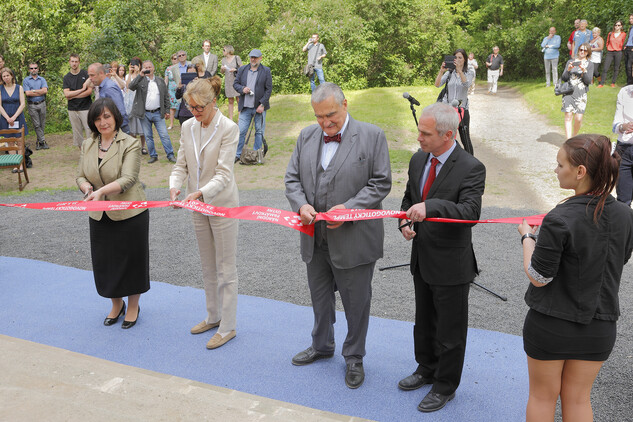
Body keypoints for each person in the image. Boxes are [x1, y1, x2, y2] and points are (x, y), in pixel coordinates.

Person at [517, 134, 633, 422]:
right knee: (579, 400)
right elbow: (620, 258)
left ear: (580, 172)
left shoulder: (559, 218)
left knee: (542, 397)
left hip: (551, 325)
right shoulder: (625, 215)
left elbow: (538, 276)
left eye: (560, 165)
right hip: (599, 325)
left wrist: (527, 237)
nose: (555, 170)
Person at [284, 82, 392, 389]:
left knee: (356, 303)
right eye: (319, 116)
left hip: (355, 240)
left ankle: (354, 357)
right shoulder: (306, 135)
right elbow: (292, 178)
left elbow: (381, 183)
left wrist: (350, 208)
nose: (325, 122)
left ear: (345, 105)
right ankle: (322, 345)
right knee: (319, 299)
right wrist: (302, 204)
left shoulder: (372, 136)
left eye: (330, 114)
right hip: (313, 238)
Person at [397, 102, 485, 413]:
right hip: (422, 258)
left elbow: (470, 213)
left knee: (450, 330)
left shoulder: (471, 167)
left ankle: (445, 385)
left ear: (448, 135)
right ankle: (426, 368)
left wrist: (431, 206)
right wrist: (404, 221)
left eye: (425, 133)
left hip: (452, 264)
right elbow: (409, 198)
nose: (418, 137)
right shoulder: (418, 159)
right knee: (424, 322)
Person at [169, 76, 239, 349]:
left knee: (226, 268)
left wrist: (200, 192)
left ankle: (228, 326)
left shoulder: (229, 128)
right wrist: (176, 187)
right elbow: (180, 165)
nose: (194, 113)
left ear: (213, 103)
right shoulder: (187, 127)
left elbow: (224, 173)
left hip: (221, 203)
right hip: (195, 203)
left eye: (199, 108)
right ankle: (213, 316)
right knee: (208, 265)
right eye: (190, 108)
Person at [76, 97, 150, 329]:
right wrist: (88, 188)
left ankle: (134, 306)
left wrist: (101, 192)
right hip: (99, 214)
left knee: (132, 261)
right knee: (105, 262)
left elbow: (128, 179)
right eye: (97, 119)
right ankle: (116, 304)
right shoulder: (88, 144)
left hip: (129, 213)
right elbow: (80, 175)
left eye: (106, 117)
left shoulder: (130, 143)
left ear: (115, 117)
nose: (102, 122)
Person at [128, 60, 175, 163]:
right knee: (148, 136)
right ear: (143, 69)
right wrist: (140, 75)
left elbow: (166, 96)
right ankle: (153, 155)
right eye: (146, 67)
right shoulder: (140, 80)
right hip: (144, 113)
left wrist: (167, 110)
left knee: (164, 135)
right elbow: (130, 87)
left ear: (153, 68)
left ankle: (170, 155)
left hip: (158, 112)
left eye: (150, 67)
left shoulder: (160, 80)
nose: (148, 69)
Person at [233, 49, 272, 161]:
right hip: (245, 107)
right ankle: (238, 154)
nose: (253, 59)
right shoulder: (242, 69)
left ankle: (257, 155)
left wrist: (262, 104)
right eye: (251, 57)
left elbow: (268, 89)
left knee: (259, 132)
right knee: (241, 131)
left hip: (259, 107)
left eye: (255, 57)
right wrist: (242, 89)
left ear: (260, 58)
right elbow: (235, 84)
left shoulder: (265, 71)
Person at [434, 48, 474, 154]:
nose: (457, 59)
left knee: (465, 138)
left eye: (460, 57)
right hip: (449, 110)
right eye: (455, 57)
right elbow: (437, 84)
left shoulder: (469, 72)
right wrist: (441, 71)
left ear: (464, 59)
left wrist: (460, 71)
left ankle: (471, 163)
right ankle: (455, 157)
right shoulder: (449, 73)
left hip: (462, 110)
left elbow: (467, 85)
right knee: (449, 137)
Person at [561, 43, 593, 139]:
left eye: (585, 50)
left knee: (578, 118)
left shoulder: (590, 64)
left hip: (581, 94)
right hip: (569, 92)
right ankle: (568, 140)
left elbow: (588, 81)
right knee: (568, 116)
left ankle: (574, 137)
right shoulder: (571, 61)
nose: (582, 52)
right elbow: (564, 78)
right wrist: (568, 70)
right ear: (578, 50)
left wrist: (584, 71)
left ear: (588, 52)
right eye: (581, 50)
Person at [87, 63, 130, 135]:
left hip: (118, 130)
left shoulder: (109, 88)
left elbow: (120, 112)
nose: (90, 78)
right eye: (89, 75)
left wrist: (113, 131)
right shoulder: (103, 87)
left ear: (101, 73)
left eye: (92, 75)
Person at [63, 55, 93, 150]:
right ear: (69, 62)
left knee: (89, 131)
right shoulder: (66, 77)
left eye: (76, 61)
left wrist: (73, 95)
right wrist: (82, 90)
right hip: (72, 109)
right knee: (77, 133)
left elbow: (89, 92)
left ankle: (90, 152)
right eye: (72, 61)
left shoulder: (86, 74)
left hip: (86, 108)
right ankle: (82, 153)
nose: (74, 63)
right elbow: (66, 94)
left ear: (79, 62)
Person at [612, 84, 633, 205]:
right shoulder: (625, 91)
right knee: (623, 201)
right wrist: (622, 127)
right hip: (623, 151)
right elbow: (615, 125)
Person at [23, 62, 48, 150]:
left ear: (38, 69)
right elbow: (27, 93)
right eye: (31, 68)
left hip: (42, 103)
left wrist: (33, 91)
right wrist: (38, 91)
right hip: (32, 105)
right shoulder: (26, 80)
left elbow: (45, 91)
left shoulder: (42, 79)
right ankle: (43, 141)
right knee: (36, 124)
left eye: (35, 68)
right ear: (29, 70)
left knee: (42, 124)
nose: (33, 70)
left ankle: (39, 142)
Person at [124, 59, 147, 155]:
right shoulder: (127, 76)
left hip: (140, 101)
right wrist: (130, 73)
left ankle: (143, 146)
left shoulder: (143, 75)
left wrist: (138, 73)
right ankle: (134, 147)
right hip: (131, 103)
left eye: (135, 65)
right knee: (132, 126)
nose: (133, 66)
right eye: (131, 65)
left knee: (142, 127)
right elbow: (128, 86)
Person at [0, 67, 28, 138]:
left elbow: (22, 104)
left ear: (12, 76)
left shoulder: (19, 88)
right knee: (10, 141)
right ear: (2, 78)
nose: (6, 78)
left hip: (18, 117)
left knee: (20, 141)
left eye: (8, 75)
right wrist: (8, 118)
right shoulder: (0, 89)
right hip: (5, 118)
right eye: (4, 76)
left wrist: (14, 117)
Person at [599, 20, 626, 88]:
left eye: (619, 25)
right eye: (616, 25)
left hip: (618, 52)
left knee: (616, 68)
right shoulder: (610, 33)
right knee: (605, 68)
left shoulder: (623, 34)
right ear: (614, 26)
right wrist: (608, 47)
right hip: (610, 52)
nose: (617, 26)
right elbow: (607, 42)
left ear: (621, 26)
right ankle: (601, 83)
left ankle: (613, 83)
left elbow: (624, 43)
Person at [220, 45, 242, 121]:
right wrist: (222, 69)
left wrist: (235, 69)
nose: (223, 52)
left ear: (228, 51)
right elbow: (222, 72)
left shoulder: (237, 58)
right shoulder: (223, 60)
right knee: (230, 100)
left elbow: (242, 69)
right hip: (228, 81)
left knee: (239, 99)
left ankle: (240, 118)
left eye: (224, 50)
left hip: (236, 81)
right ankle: (231, 119)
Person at [165, 53, 180, 130]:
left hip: (179, 88)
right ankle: (171, 124)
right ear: (171, 60)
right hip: (171, 90)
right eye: (174, 58)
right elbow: (166, 80)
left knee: (181, 105)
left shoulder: (180, 68)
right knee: (172, 107)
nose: (175, 60)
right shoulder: (168, 69)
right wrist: (165, 90)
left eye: (177, 58)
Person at [624, 14, 633, 86]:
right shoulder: (631, 28)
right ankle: (629, 82)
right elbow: (629, 38)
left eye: (631, 19)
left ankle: (630, 83)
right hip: (628, 47)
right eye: (630, 18)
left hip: (632, 48)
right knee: (626, 65)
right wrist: (625, 45)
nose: (630, 20)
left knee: (629, 66)